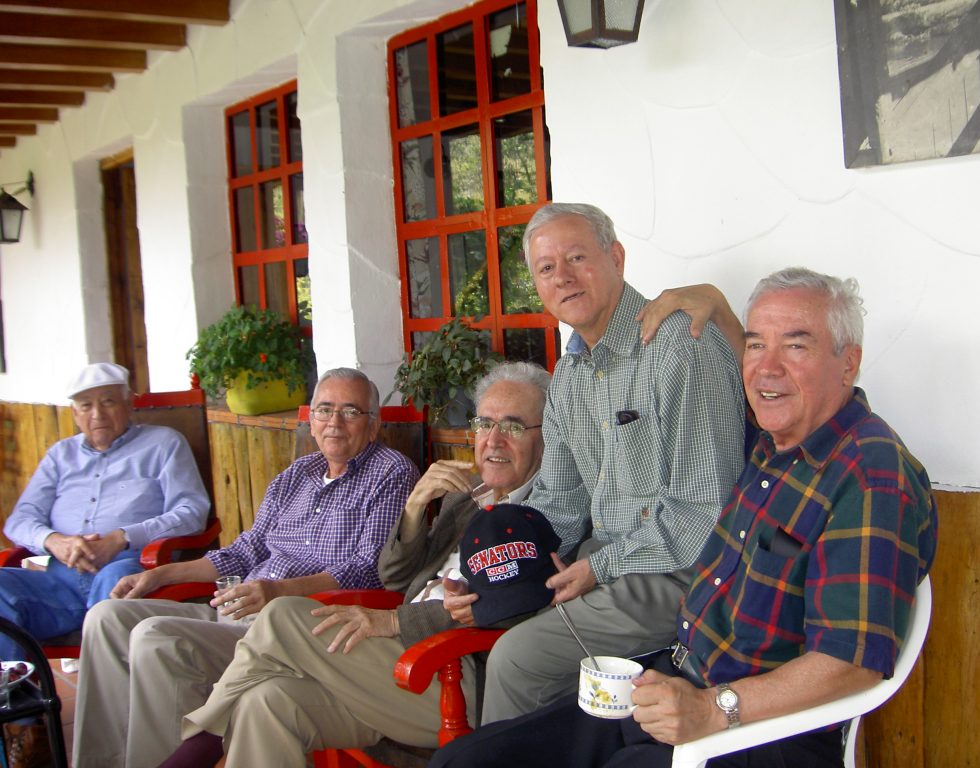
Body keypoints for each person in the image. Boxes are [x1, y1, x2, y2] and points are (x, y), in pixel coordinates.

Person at [427, 267, 939, 768]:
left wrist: (714, 709)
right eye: (756, 345)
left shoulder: (870, 475)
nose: (767, 367)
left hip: (758, 735)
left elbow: (852, 662)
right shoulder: (774, 446)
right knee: (466, 759)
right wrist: (716, 303)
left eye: (796, 346)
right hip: (674, 685)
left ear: (848, 363)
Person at [153, 362, 550, 768]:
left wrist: (393, 621)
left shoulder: (549, 512)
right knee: (266, 701)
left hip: (451, 669)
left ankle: (197, 749)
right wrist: (415, 506)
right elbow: (395, 577)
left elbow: (511, 608)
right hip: (393, 657)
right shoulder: (464, 497)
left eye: (514, 426)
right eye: (484, 424)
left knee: (281, 616)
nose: (494, 440)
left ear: (547, 434)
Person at [447, 203, 747, 725]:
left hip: (682, 574)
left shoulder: (679, 344)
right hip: (605, 567)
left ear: (616, 258)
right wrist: (493, 571)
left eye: (577, 257)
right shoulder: (568, 378)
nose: (562, 277)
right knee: (498, 619)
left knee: (517, 659)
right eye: (546, 268)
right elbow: (559, 507)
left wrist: (599, 567)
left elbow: (703, 515)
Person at [72, 367, 419, 768]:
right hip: (236, 609)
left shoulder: (391, 473)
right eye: (324, 410)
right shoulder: (296, 475)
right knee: (107, 617)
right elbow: (245, 551)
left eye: (350, 412)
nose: (334, 422)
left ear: (373, 425)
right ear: (311, 420)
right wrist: (157, 575)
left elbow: (368, 569)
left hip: (290, 629)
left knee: (156, 639)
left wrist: (278, 592)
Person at [0, 361, 209, 661]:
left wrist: (120, 538)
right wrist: (55, 541)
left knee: (115, 582)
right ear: (75, 413)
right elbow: (20, 520)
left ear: (129, 404)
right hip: (60, 582)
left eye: (108, 401)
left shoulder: (163, 443)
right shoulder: (60, 455)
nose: (97, 414)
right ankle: (16, 691)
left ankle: (105, 688)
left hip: (129, 567)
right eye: (86, 405)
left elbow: (192, 512)